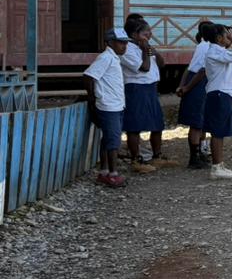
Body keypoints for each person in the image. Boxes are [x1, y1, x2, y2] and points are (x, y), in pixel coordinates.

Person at [121, 20, 173, 172]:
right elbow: (144, 68)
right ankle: (136, 160)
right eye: (145, 33)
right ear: (133, 35)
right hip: (136, 88)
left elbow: (162, 64)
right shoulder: (127, 50)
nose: (149, 35)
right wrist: (145, 51)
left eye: (149, 31)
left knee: (157, 123)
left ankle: (157, 156)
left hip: (150, 88)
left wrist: (153, 51)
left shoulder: (145, 47)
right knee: (135, 126)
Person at [84, 28, 130, 188]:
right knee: (113, 140)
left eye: (125, 43)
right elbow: (89, 76)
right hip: (108, 105)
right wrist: (92, 99)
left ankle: (104, 171)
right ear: (110, 43)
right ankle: (113, 173)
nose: (124, 46)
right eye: (121, 43)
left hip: (115, 104)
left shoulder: (114, 58)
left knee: (108, 139)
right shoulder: (106, 58)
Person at [203, 25, 232, 178]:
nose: (229, 38)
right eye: (226, 36)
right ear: (219, 38)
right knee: (218, 132)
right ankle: (216, 167)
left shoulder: (220, 51)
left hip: (222, 94)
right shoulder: (215, 51)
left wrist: (230, 41)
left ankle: (219, 164)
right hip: (220, 93)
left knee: (219, 131)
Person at [175, 21, 216, 169]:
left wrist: (182, 85)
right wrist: (186, 87)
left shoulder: (201, 46)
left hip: (195, 82)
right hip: (198, 84)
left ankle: (198, 154)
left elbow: (189, 67)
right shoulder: (207, 47)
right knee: (197, 124)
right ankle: (194, 157)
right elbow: (201, 71)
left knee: (200, 122)